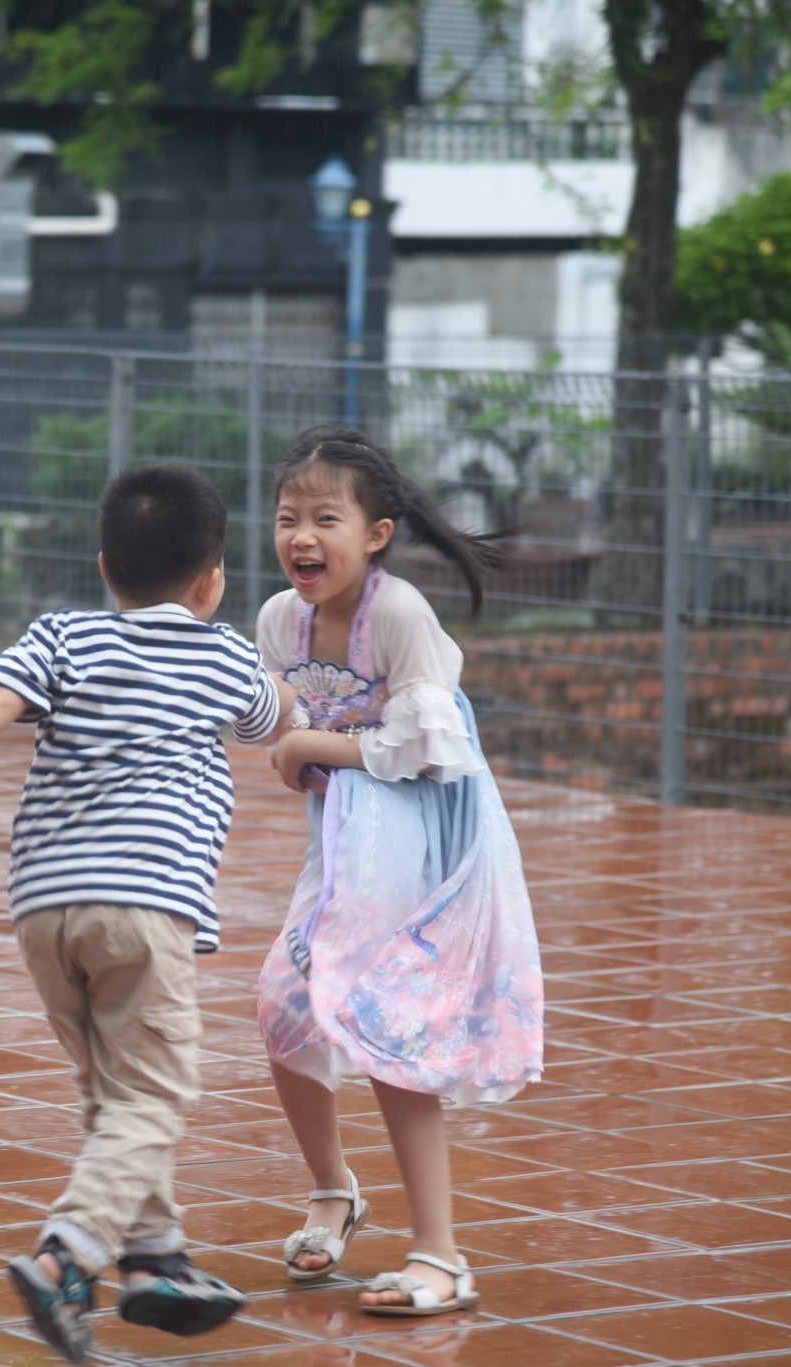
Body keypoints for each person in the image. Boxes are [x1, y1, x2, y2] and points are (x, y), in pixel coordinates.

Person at [0, 463, 292, 1363]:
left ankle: (156, 1259)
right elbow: (277, 722)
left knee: (112, 1091)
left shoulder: (63, 637)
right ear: (212, 582)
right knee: (156, 1091)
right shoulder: (226, 653)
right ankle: (67, 1255)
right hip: (144, 903)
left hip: (45, 908)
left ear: (103, 566)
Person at [255, 426, 544, 1316]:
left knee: (390, 1029)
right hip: (345, 847)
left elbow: (427, 749)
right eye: (286, 517)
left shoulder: (400, 614)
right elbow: (273, 724)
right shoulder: (276, 619)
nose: (302, 536)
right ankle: (335, 1188)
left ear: (375, 532)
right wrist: (292, 749)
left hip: (429, 841)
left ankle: (441, 1255)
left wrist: (312, 744)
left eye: (325, 518)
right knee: (286, 1005)